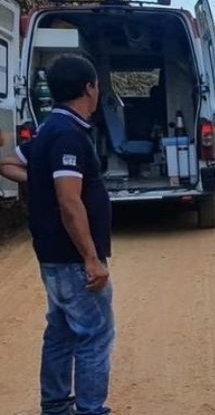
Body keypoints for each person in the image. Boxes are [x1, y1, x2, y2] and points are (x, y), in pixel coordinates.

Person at [24, 55, 114, 415]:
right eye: (96, 85)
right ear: (89, 88)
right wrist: (91, 257)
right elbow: (69, 202)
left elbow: (9, 161)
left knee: (60, 334)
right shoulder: (67, 135)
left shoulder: (49, 128)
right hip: (73, 259)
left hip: (52, 256)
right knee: (95, 337)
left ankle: (57, 407)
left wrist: (38, 179)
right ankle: (90, 410)